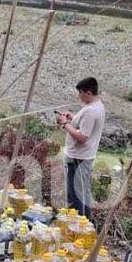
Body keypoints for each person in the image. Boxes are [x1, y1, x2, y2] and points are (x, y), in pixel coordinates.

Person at [56, 77, 106, 219]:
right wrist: (73, 118)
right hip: (82, 156)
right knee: (82, 191)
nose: (79, 96)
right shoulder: (96, 105)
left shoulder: (91, 111)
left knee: (75, 193)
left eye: (81, 93)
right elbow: (84, 124)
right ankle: (85, 222)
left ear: (88, 93)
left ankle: (78, 224)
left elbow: (83, 137)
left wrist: (65, 124)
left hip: (79, 157)